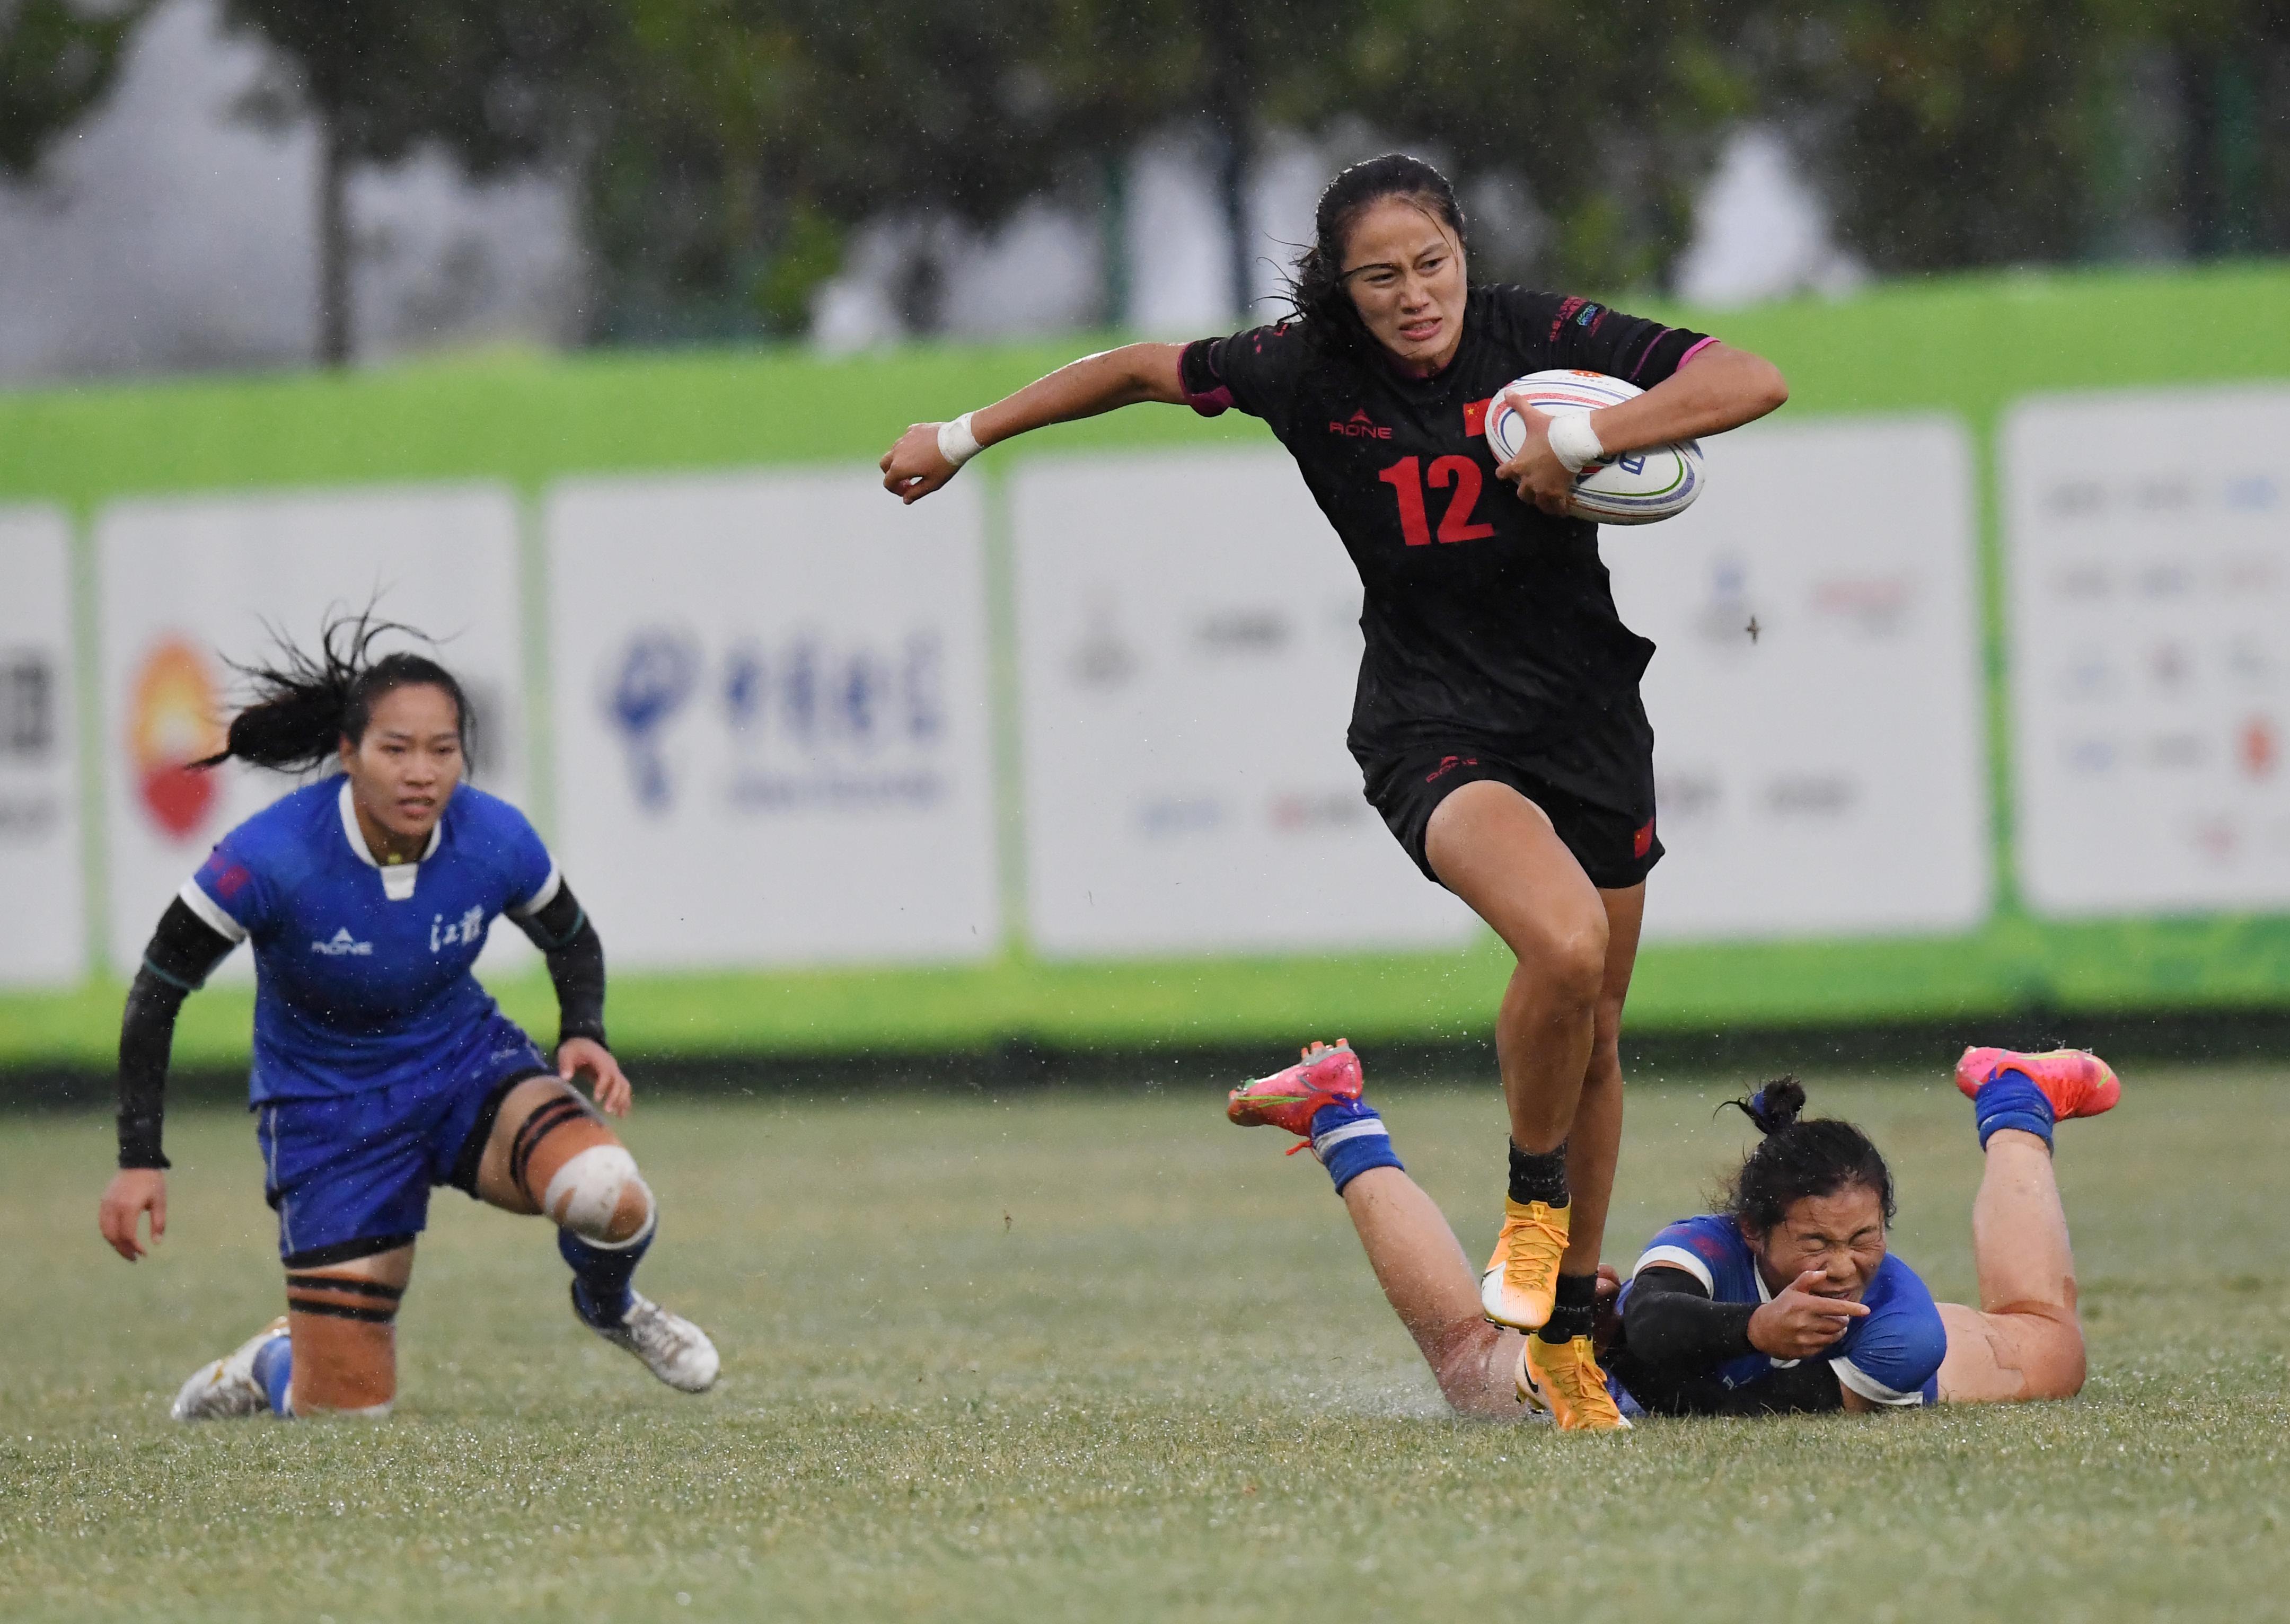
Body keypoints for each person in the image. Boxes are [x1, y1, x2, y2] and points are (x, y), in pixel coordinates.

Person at [880, 154, 1789, 1428]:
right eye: (1381, 277)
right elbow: (1143, 367)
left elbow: (1749, 378)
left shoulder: (1540, 336)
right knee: (1564, 943)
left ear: (1465, 252)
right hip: (1434, 726)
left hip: (1588, 718)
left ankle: (1572, 1341)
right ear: (1342, 289)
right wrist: (960, 437)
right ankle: (1533, 1210)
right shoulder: (1304, 371)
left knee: (1597, 1027)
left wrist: (1583, 438)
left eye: (1432, 265)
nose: (1416, 296)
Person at [96, 617, 719, 1421]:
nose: (422, 773)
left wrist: (584, 1032)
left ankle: (612, 1306)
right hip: (329, 1116)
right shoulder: (271, 856)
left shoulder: (493, 837)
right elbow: (157, 990)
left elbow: (571, 938)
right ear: (349, 753)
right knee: (348, 1421)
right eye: (396, 749)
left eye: (442, 749)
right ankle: (272, 1366)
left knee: (607, 1190)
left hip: (466, 1070)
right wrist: (139, 1157)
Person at [1226, 1040, 2113, 1422]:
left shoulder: (1902, 1331)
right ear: (1754, 1233)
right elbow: (1652, 1321)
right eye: (1816, 1245)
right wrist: (1748, 1330)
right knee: (1468, 1358)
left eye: (1866, 1241)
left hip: (1686, 1387)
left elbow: (1739, 1417)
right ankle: (1337, 1108)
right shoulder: (1704, 1245)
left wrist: (1631, 1355)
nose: (1845, 1269)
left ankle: (2014, 1092)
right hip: (1632, 1371)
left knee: (2053, 1346)